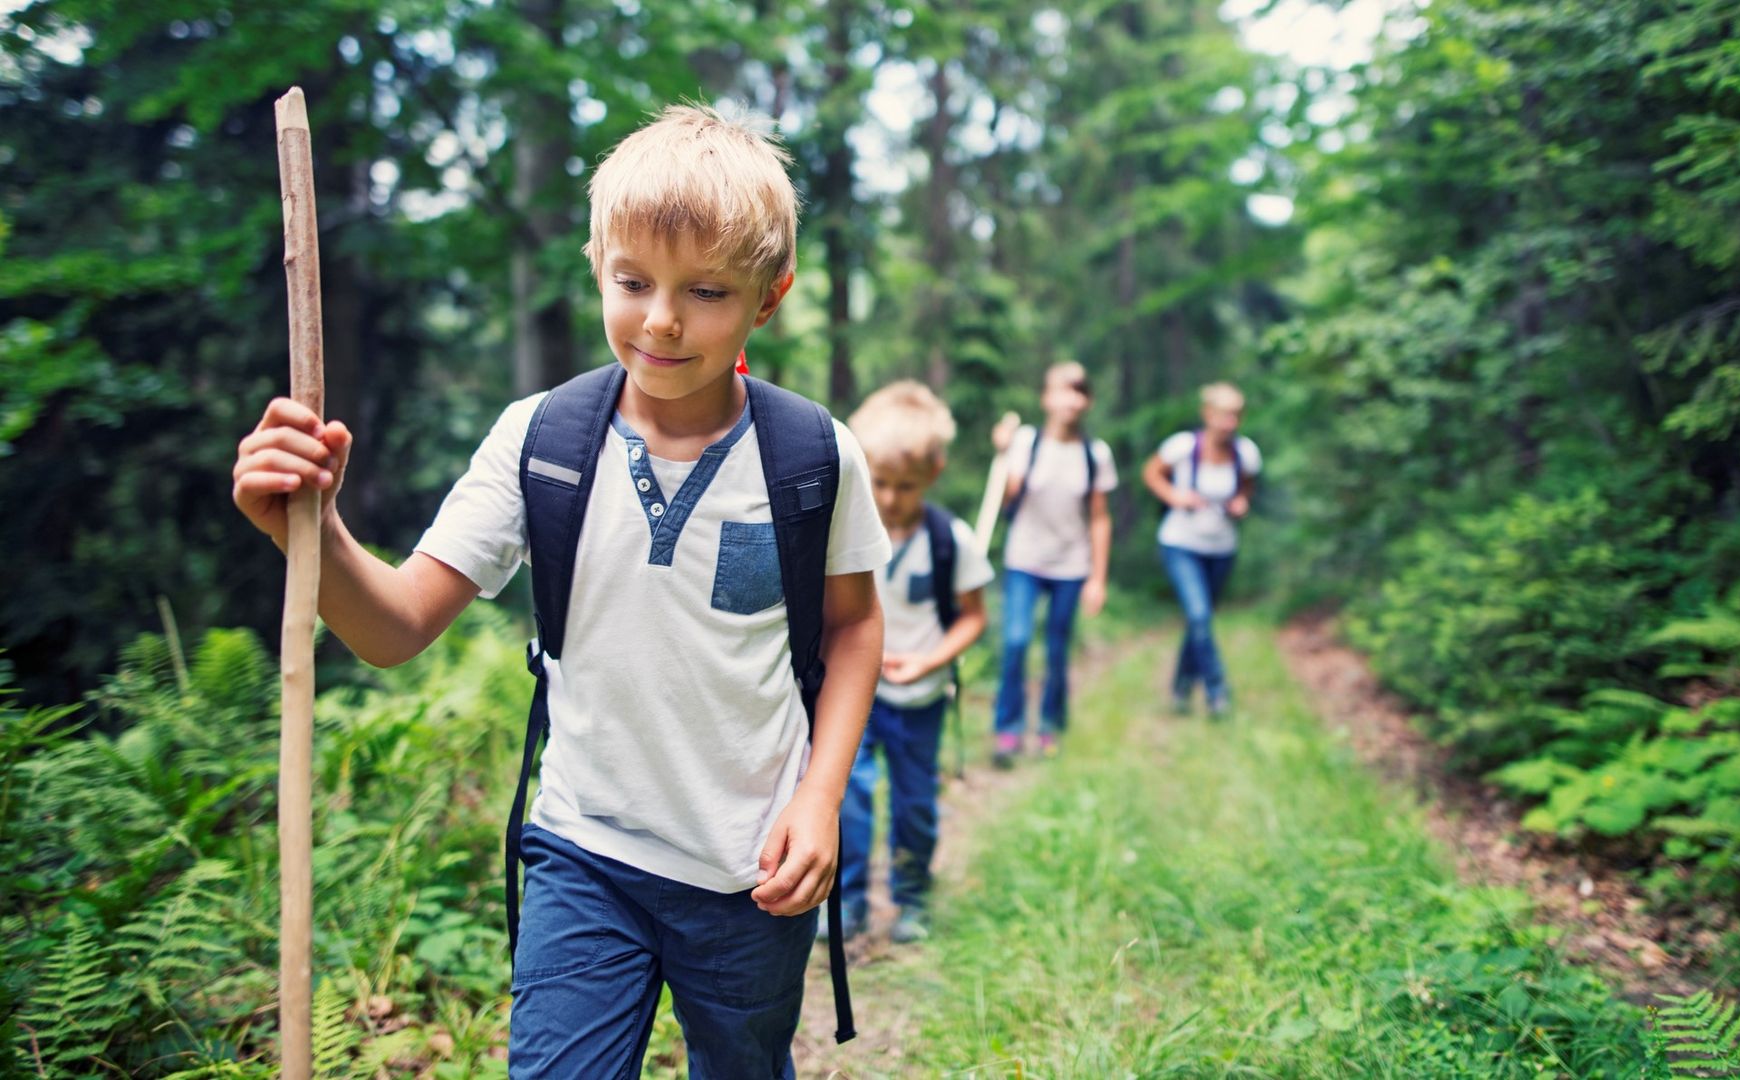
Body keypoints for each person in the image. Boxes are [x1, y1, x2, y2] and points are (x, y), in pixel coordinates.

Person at [230, 105, 891, 1077]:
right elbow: (396, 626)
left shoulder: (810, 456)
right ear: (596, 264)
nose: (661, 318)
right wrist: (312, 534)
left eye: (705, 290)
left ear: (769, 296)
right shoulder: (539, 442)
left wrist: (821, 797)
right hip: (585, 855)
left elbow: (854, 628)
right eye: (634, 282)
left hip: (753, 868)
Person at [834, 381, 993, 944]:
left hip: (920, 700)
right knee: (846, 796)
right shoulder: (844, 531)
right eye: (879, 483)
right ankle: (848, 901)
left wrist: (930, 661)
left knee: (915, 804)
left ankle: (911, 898)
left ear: (934, 473)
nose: (892, 498)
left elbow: (973, 616)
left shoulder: (952, 540)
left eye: (906, 486)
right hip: (854, 695)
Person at [989, 361, 1117, 768]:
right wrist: (1004, 455)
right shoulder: (1025, 442)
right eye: (1062, 389)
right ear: (1046, 398)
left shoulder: (1095, 454)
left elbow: (1099, 517)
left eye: (1079, 390)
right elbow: (1007, 500)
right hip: (1025, 559)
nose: (1071, 399)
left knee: (1057, 650)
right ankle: (1007, 729)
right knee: (1016, 641)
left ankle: (1049, 725)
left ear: (1088, 401)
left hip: (1071, 565)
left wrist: (1097, 578)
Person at [1141, 381, 1261, 719]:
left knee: (1200, 621)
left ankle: (1180, 687)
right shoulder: (1182, 447)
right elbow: (1151, 473)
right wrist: (1175, 497)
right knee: (1199, 615)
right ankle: (1217, 692)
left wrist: (1241, 502)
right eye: (1224, 415)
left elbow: (1248, 487)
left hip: (1222, 548)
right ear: (1208, 414)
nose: (1230, 423)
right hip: (1181, 544)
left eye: (1236, 416)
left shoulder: (1245, 453)